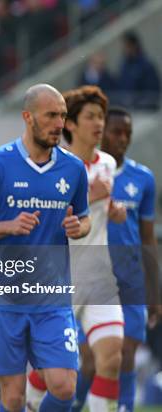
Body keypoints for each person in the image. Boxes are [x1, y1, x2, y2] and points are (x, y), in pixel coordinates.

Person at [0, 83, 91, 412]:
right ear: (27, 117)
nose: (59, 124)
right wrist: (9, 225)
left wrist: (79, 227)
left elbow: (85, 218)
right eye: (51, 115)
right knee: (14, 397)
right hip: (5, 300)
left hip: (53, 298)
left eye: (62, 116)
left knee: (64, 387)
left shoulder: (74, 169)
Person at [27, 85, 127, 412]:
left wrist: (115, 210)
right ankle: (30, 403)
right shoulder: (57, 167)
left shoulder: (108, 164)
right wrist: (95, 197)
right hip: (59, 277)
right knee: (49, 371)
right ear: (71, 124)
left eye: (101, 117)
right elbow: (43, 223)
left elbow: (103, 209)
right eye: (90, 117)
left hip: (99, 276)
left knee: (112, 355)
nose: (99, 124)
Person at [100, 107, 159, 411]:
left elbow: (148, 238)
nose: (123, 139)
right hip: (93, 277)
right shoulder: (86, 172)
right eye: (116, 132)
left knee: (127, 348)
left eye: (128, 133)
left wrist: (155, 292)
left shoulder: (143, 179)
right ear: (101, 132)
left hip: (131, 278)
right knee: (91, 357)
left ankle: (123, 406)